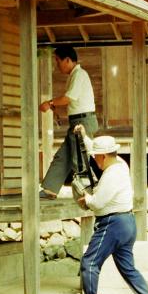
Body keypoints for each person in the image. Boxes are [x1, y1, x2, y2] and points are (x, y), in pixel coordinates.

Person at [72, 134, 148, 294]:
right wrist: (84, 136)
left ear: (103, 156)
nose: (95, 160)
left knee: (90, 261)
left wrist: (85, 198)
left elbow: (98, 203)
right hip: (127, 222)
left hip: (112, 224)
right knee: (127, 268)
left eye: (96, 157)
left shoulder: (111, 175)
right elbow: (94, 149)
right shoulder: (120, 163)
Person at [38, 44, 98, 199]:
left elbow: (69, 98)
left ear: (67, 60)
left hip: (82, 122)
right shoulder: (74, 75)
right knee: (63, 156)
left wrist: (50, 103)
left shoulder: (80, 74)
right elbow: (72, 101)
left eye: (58, 60)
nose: (57, 64)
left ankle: (88, 191)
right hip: (78, 120)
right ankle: (50, 189)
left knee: (79, 158)